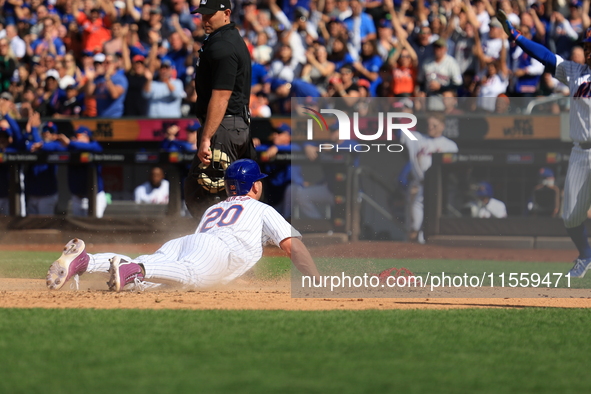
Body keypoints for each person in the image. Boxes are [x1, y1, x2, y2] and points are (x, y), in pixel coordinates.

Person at [45, 159, 320, 291]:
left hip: (185, 243)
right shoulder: (261, 208)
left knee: (147, 284)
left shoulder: (216, 207)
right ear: (256, 185)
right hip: (214, 249)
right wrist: (316, 279)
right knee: (188, 274)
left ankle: (86, 261)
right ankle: (134, 268)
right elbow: (292, 247)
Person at [498, 10, 591, 278]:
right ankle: (585, 255)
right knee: (571, 217)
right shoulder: (577, 72)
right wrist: (516, 36)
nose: (588, 51)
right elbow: (547, 57)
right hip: (580, 151)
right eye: (586, 47)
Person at [184, 0, 257, 220]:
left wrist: (206, 137)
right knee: (236, 192)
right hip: (233, 125)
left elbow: (221, 96)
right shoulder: (226, 39)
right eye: (202, 15)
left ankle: (215, 248)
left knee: (205, 194)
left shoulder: (223, 45)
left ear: (226, 13)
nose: (204, 19)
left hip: (223, 127)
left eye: (209, 14)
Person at [400, 113, 458, 243]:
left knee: (437, 223)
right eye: (428, 124)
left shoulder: (450, 145)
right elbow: (399, 130)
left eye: (434, 125)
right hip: (419, 185)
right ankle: (412, 254)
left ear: (442, 126)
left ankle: (433, 254)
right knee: (414, 225)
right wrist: (407, 112)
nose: (430, 127)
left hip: (440, 188)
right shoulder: (417, 138)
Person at [59, 126, 107, 218]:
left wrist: (70, 142)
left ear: (87, 137)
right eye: (75, 136)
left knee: (93, 228)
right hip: (77, 198)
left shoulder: (95, 146)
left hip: (95, 197)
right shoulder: (72, 149)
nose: (76, 139)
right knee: (77, 230)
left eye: (79, 136)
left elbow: (93, 147)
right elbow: (56, 147)